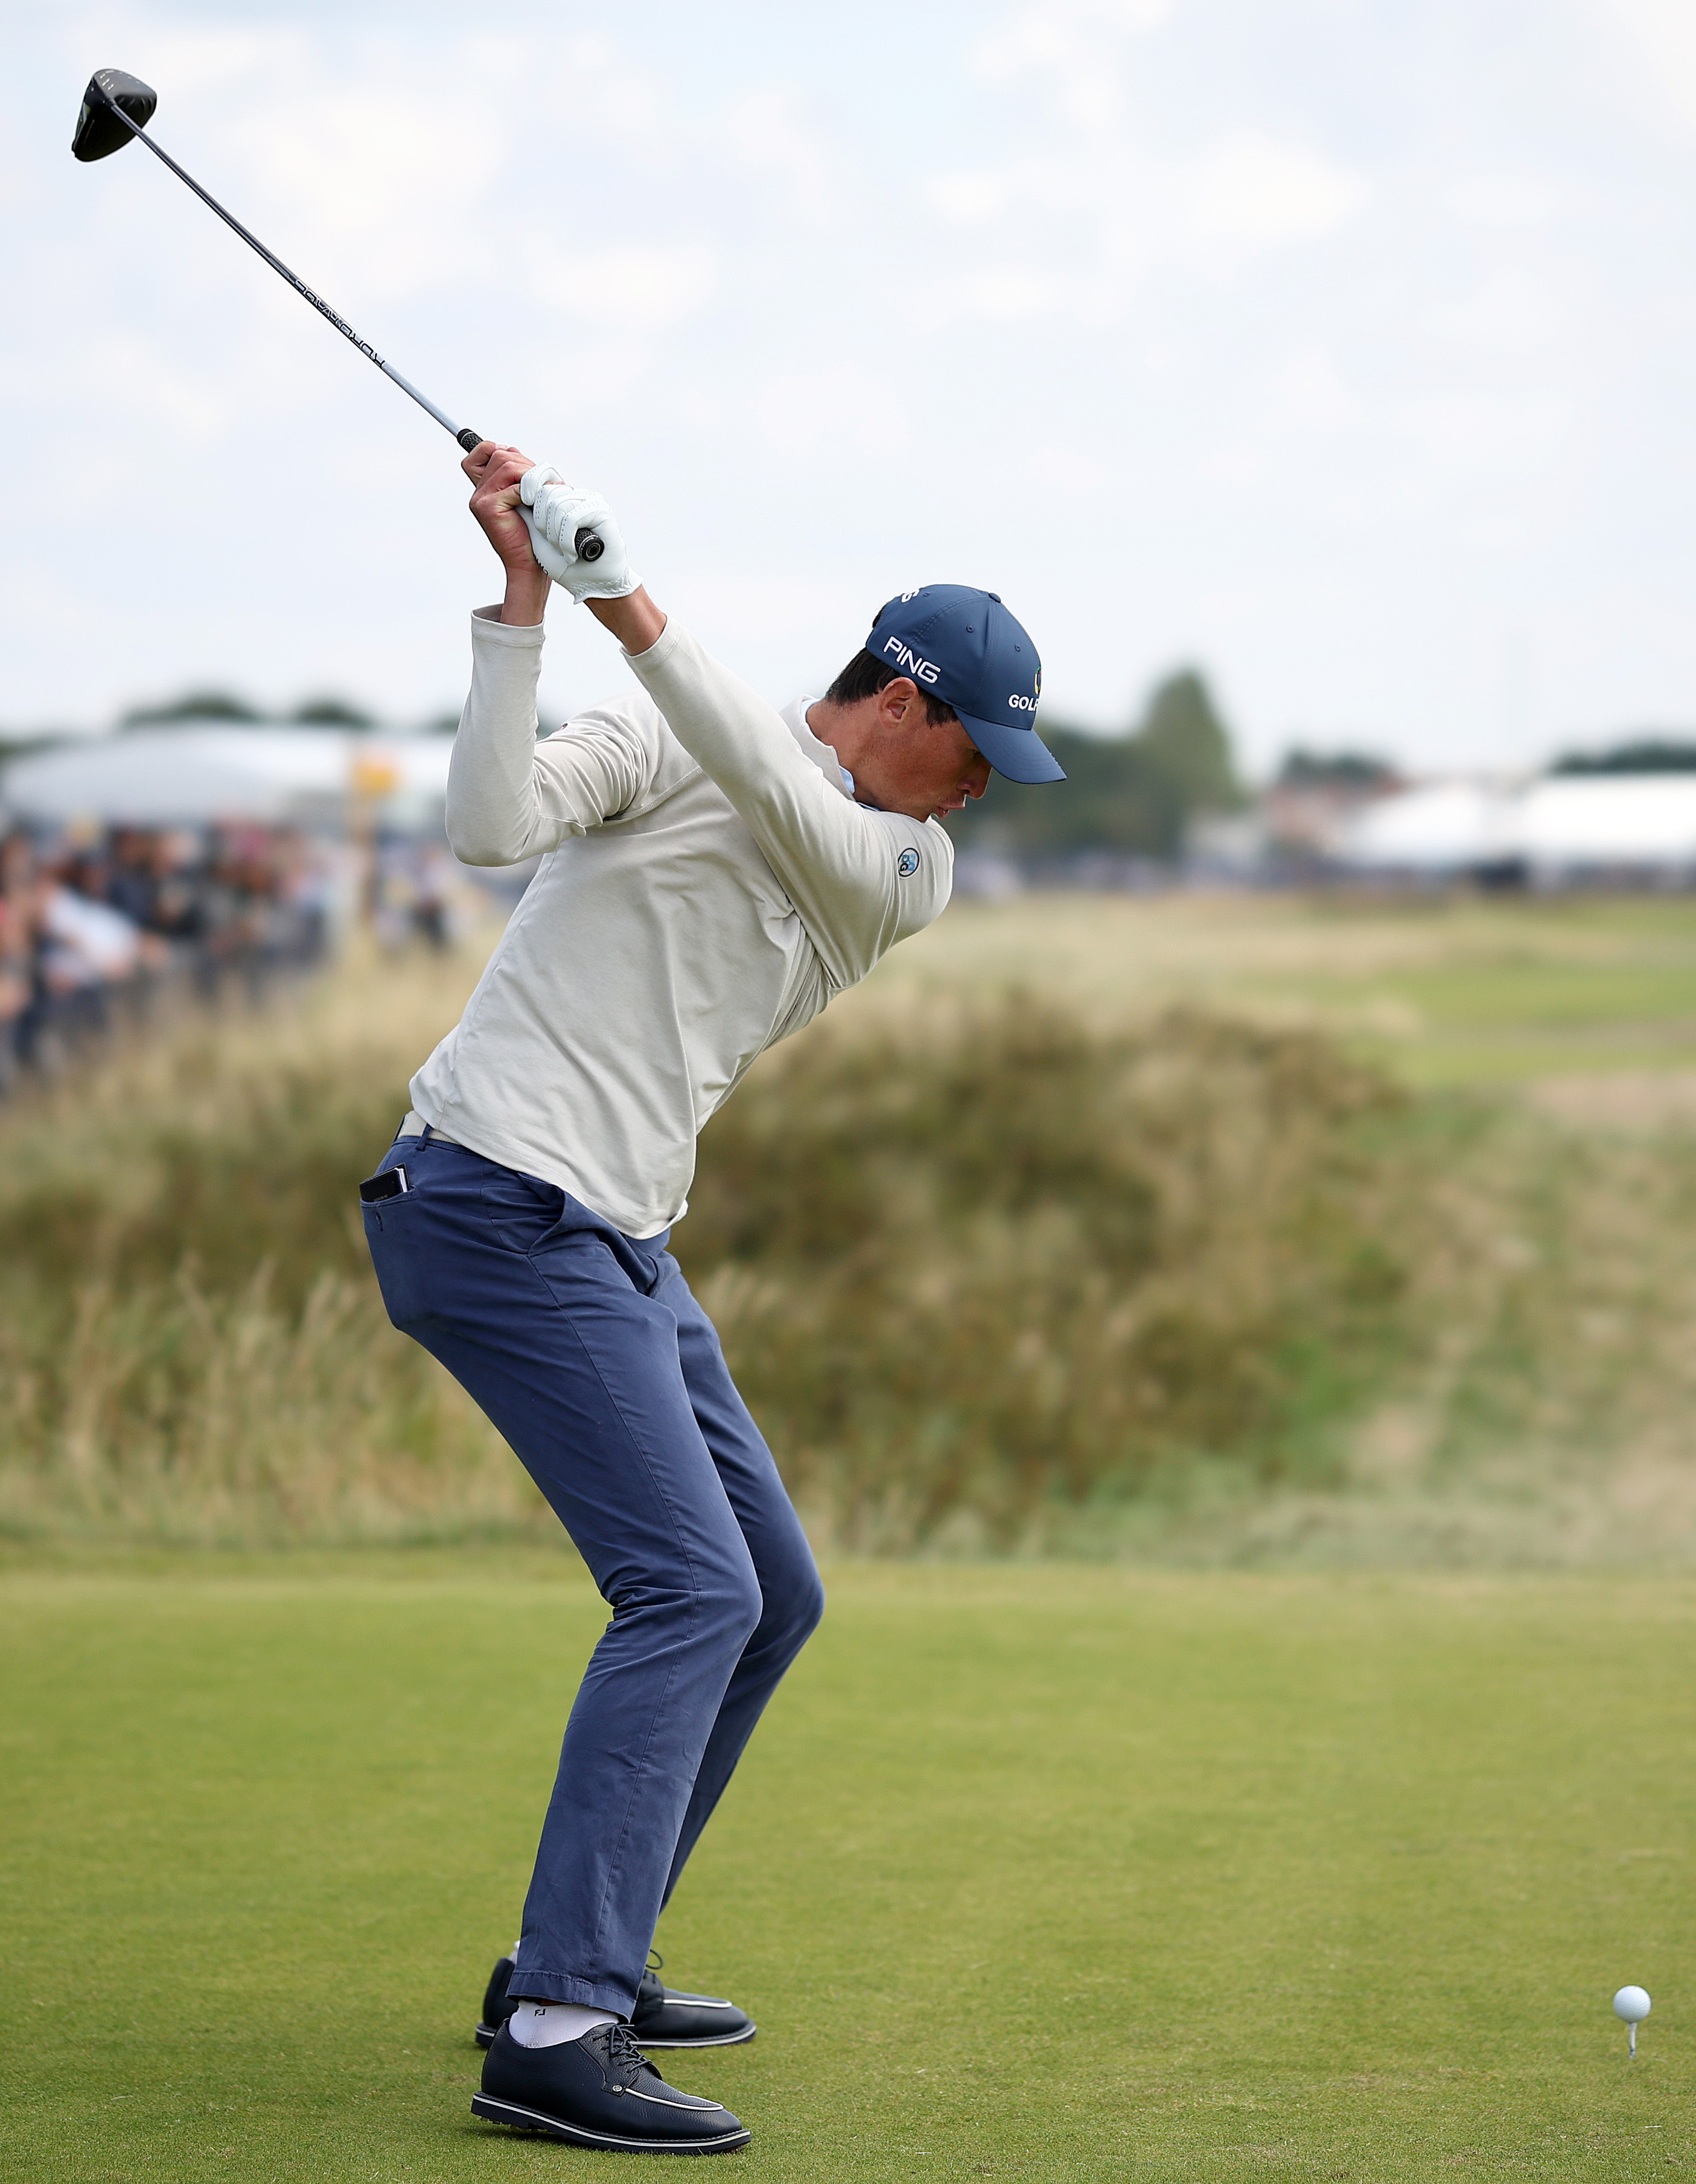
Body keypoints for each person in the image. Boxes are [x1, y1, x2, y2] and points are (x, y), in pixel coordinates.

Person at [360, 444, 1059, 2157]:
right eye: (973, 748)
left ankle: (569, 1949)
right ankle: (557, 2021)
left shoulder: (896, 868)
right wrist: (529, 615)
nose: (976, 790)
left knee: (773, 1593)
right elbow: (484, 827)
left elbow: (775, 783)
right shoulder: (675, 730)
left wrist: (627, 600)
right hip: (493, 1199)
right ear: (901, 699)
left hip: (615, 1236)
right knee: (685, 1585)